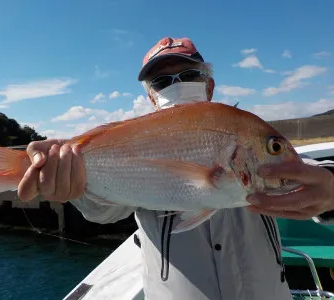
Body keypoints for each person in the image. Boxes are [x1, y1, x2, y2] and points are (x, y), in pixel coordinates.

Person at [17, 37, 334, 300]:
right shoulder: (135, 142)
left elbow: (307, 171)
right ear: (153, 98)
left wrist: (330, 188)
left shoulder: (247, 138)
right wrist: (76, 187)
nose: (176, 85)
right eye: (162, 81)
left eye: (189, 75)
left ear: (209, 87)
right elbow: (103, 212)